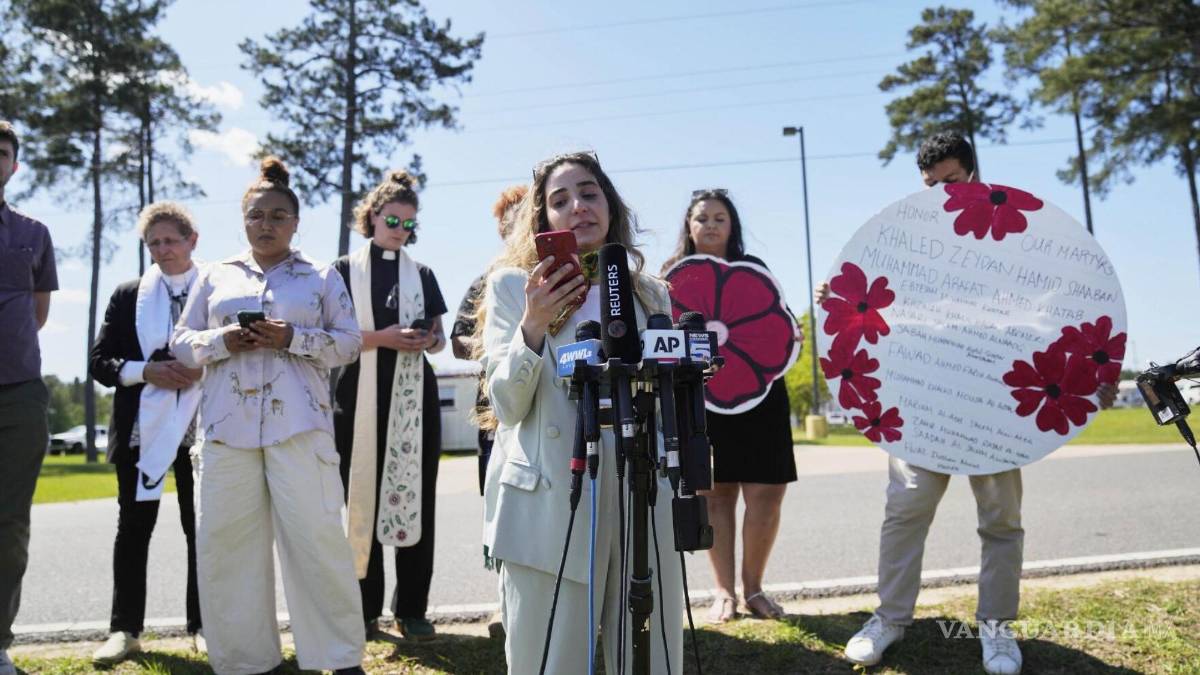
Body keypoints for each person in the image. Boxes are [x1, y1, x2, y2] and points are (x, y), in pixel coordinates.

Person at [818, 132, 1117, 675]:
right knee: (906, 509)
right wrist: (835, 297)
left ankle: (997, 628)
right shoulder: (904, 238)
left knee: (1001, 520)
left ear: (975, 173)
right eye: (930, 185)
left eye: (950, 181)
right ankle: (890, 619)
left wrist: (1094, 369)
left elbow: (1056, 306)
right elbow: (883, 308)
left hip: (999, 402)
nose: (941, 194)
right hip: (921, 403)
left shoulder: (1019, 238)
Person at [476, 151, 683, 673]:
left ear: (610, 205)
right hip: (552, 489)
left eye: (589, 193)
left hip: (640, 485)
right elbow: (506, 405)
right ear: (543, 218)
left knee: (650, 654)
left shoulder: (650, 293)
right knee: (549, 658)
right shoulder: (511, 287)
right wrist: (533, 324)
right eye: (560, 200)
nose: (578, 207)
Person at [172, 157, 366, 675]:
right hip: (225, 433)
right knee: (227, 549)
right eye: (256, 215)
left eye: (278, 215)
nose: (266, 224)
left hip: (300, 428)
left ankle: (340, 658)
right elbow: (181, 343)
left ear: (295, 222)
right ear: (243, 219)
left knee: (317, 544)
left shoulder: (321, 276)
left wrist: (292, 337)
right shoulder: (213, 276)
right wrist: (223, 341)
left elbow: (349, 345)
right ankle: (246, 662)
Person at [661, 189, 796, 623]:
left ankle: (754, 589)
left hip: (760, 397)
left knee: (766, 494)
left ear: (732, 225)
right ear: (689, 225)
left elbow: (777, 323)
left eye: (720, 217)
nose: (711, 225)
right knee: (715, 495)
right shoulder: (670, 277)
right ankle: (724, 592)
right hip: (702, 400)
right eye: (702, 217)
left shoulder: (754, 268)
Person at [333, 170, 448, 641]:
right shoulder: (343, 270)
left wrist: (427, 340)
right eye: (393, 220)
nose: (400, 230)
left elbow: (440, 338)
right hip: (357, 397)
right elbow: (330, 338)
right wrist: (382, 338)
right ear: (373, 216)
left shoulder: (422, 274)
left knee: (417, 499)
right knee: (361, 500)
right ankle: (364, 609)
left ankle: (412, 609)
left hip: (414, 400)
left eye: (408, 224)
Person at [88, 202, 205, 664]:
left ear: (192, 240)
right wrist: (146, 371)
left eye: (171, 240)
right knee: (134, 528)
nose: (162, 249)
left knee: (202, 528)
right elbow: (100, 362)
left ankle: (204, 625)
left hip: (201, 424)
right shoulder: (128, 295)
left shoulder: (215, 287)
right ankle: (125, 630)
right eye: (153, 243)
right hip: (141, 426)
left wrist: (201, 367)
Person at [449, 183, 526, 641]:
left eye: (526, 214)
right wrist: (499, 340)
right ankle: (505, 603)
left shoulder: (559, 272)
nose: (516, 224)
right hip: (496, 411)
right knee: (502, 505)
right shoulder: (487, 280)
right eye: (508, 219)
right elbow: (457, 341)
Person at [0, 120, 57, 675]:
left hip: (18, 393)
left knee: (10, 523)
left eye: (2, 152)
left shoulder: (33, 233)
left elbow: (37, 314)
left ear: (13, 165)